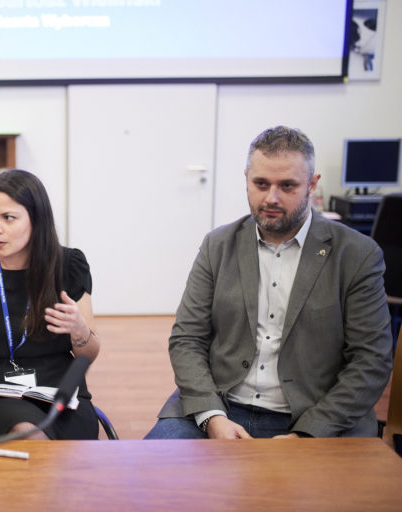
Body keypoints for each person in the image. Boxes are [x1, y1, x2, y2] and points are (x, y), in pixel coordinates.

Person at [145, 125, 392, 440]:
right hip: (220, 405)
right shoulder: (218, 245)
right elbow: (187, 339)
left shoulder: (357, 254)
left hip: (317, 414)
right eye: (260, 184)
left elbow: (371, 359)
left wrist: (308, 434)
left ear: (312, 184)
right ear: (246, 178)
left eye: (287, 185)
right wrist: (212, 417)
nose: (271, 198)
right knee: (155, 467)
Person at [0, 169, 100, 440]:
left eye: (8, 218)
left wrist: (79, 329)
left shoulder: (68, 265)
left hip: (56, 393)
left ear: (36, 220)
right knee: (26, 431)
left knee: (38, 435)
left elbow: (88, 355)